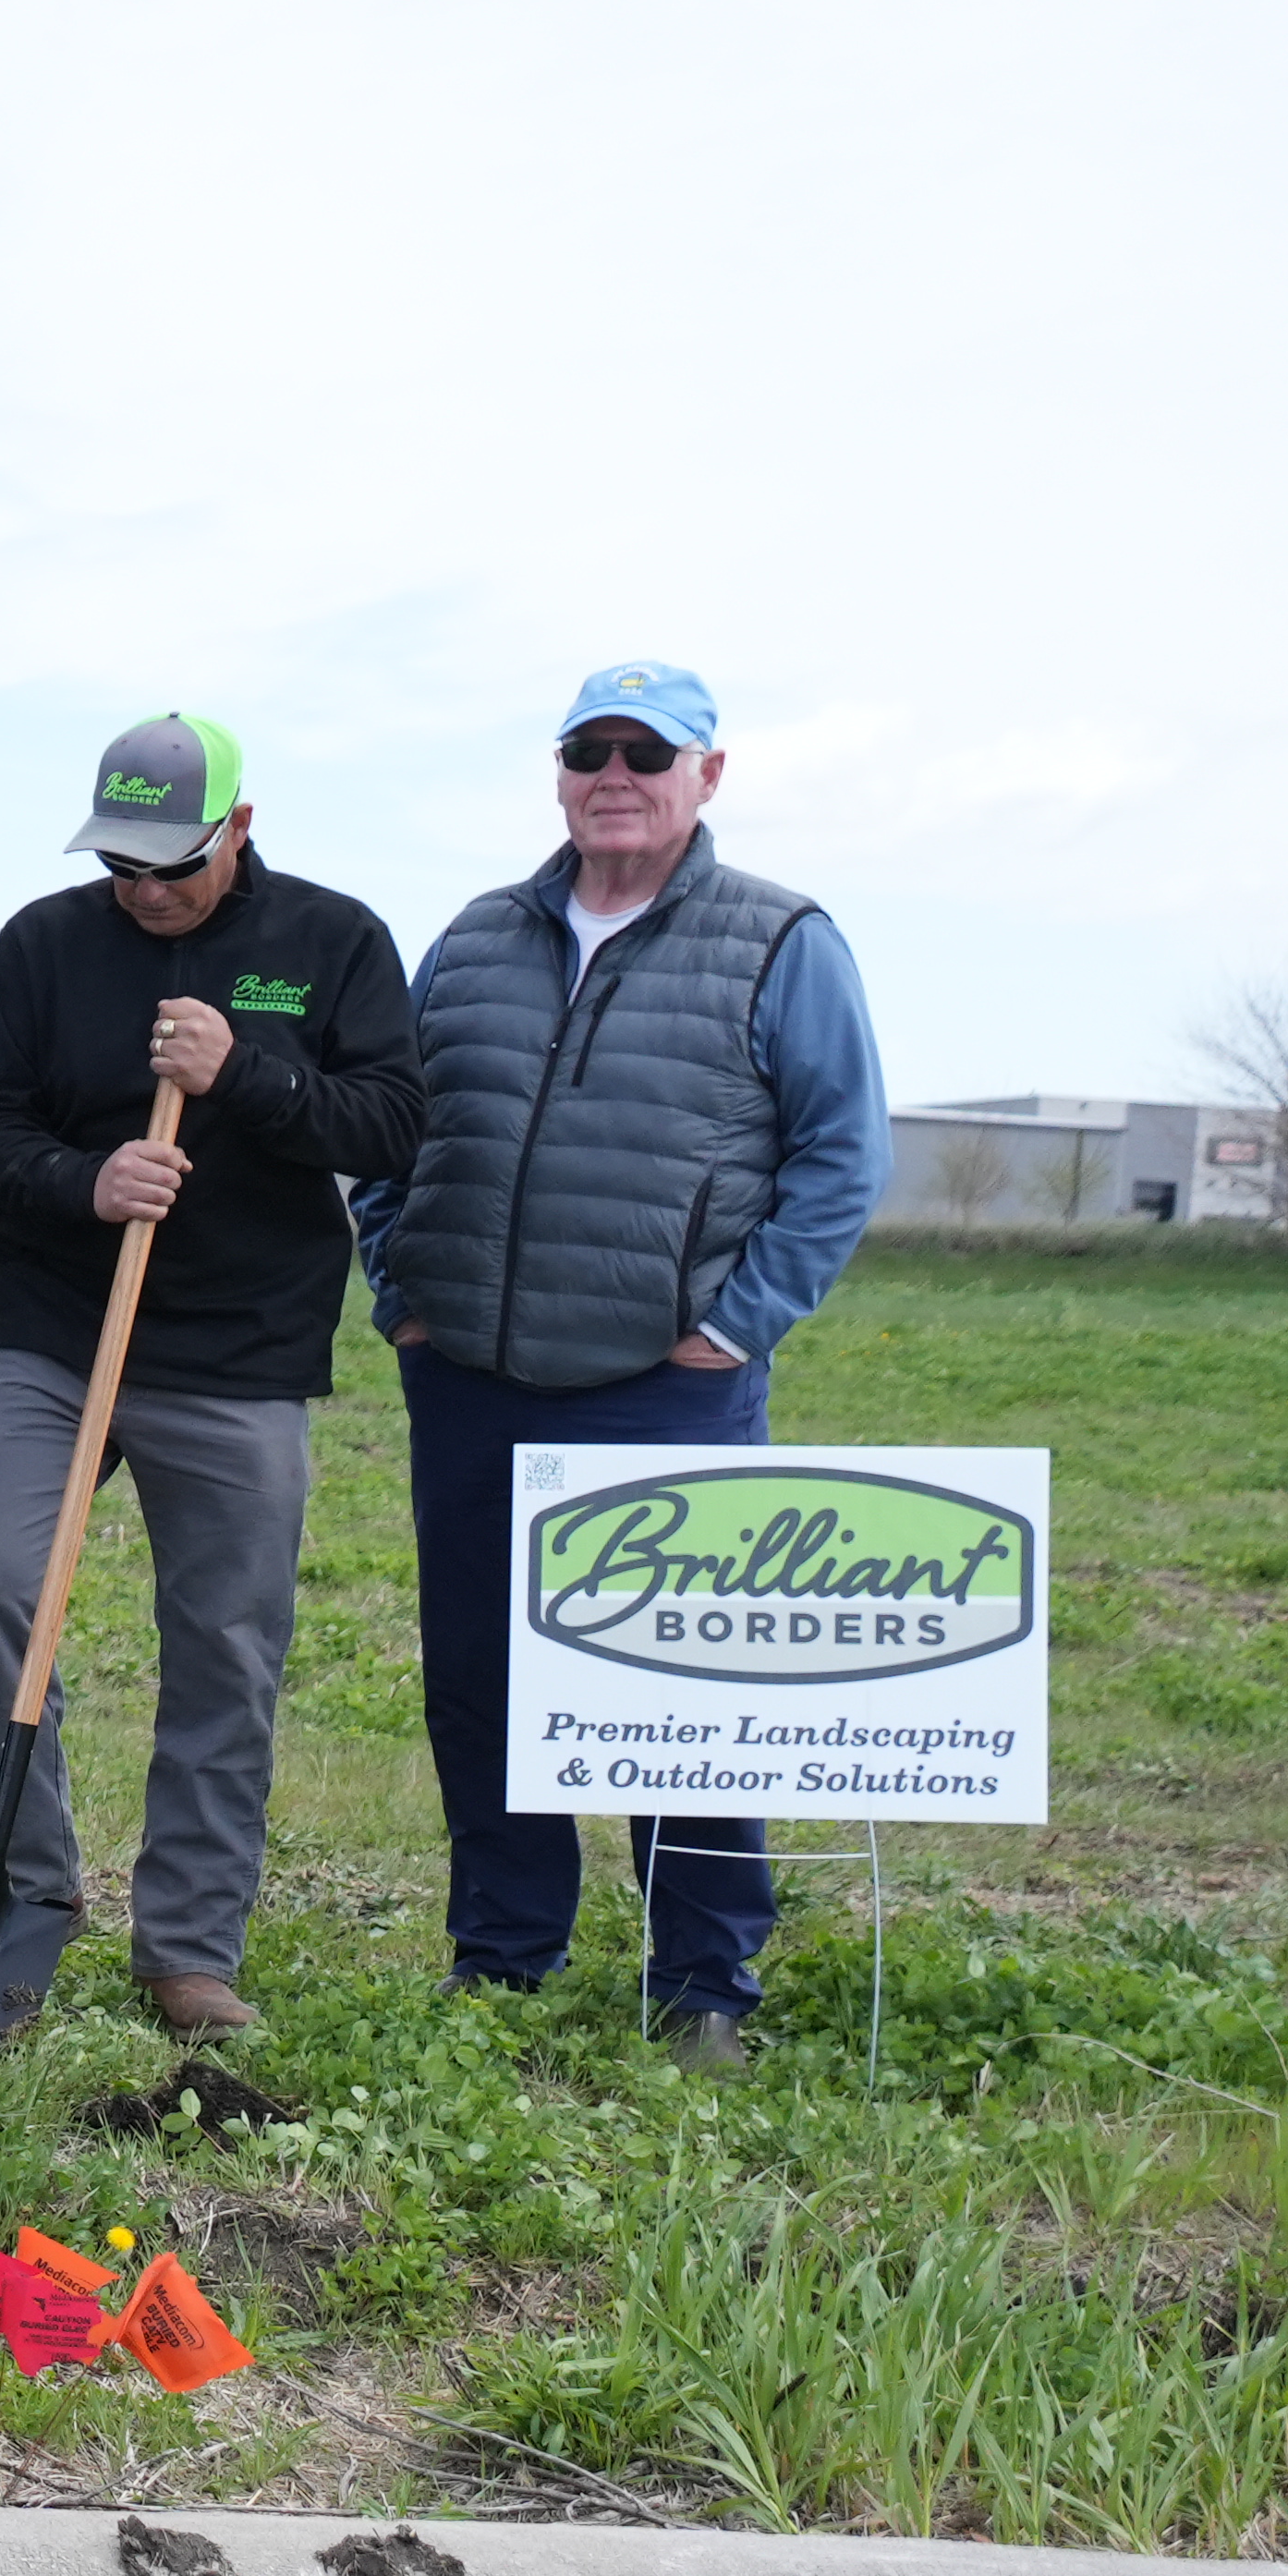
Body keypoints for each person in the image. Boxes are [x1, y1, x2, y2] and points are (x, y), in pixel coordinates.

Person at [358, 663, 889, 2071]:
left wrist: (734, 1324)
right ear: (558, 772)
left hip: (666, 1383)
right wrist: (400, 1291)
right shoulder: (473, 941)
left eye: (646, 752)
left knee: (676, 1687)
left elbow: (843, 1159)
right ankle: (503, 1954)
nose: (616, 773)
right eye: (589, 748)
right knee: (484, 1675)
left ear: (708, 773)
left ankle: (704, 1976)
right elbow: (391, 1134)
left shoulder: (783, 942)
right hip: (469, 1372)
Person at [0, 717, 425, 2040]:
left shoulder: (335, 942)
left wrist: (245, 1076)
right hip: (56, 1334)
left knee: (225, 1645)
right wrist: (83, 1182)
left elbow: (391, 1123)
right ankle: (25, 1902)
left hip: (240, 1355)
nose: (145, 891)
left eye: (175, 864)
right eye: (122, 864)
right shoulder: (45, 943)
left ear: (240, 827)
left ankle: (190, 1949)